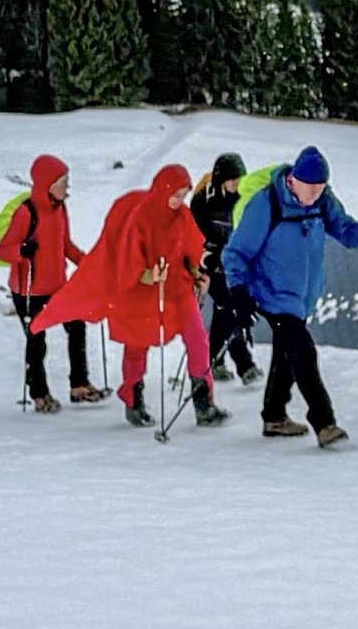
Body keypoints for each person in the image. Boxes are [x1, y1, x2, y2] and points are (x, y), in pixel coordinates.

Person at [34, 164, 230, 430]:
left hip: (176, 289)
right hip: (138, 295)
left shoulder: (182, 216)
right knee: (137, 346)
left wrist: (198, 273)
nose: (178, 201)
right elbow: (126, 260)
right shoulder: (139, 216)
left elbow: (191, 251)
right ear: (162, 189)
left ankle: (204, 404)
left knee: (197, 340)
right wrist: (148, 275)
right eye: (175, 194)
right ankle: (132, 398)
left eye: (183, 195)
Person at [221, 147, 358, 448]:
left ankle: (274, 416)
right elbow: (236, 252)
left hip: (301, 294)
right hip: (270, 291)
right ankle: (325, 423)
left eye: (320, 188)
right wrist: (238, 290)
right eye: (309, 188)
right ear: (293, 180)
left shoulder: (322, 201)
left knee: (287, 352)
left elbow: (344, 229)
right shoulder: (266, 204)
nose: (314, 195)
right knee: (303, 350)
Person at [0, 154, 107, 409]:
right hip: (28, 291)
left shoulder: (60, 209)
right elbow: (3, 250)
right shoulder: (26, 213)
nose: (67, 187)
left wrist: (88, 263)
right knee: (36, 342)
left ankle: (79, 385)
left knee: (77, 327)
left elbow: (65, 245)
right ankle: (39, 394)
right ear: (48, 184)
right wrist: (21, 250)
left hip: (57, 286)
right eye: (63, 182)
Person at [191, 154, 261, 385]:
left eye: (239, 178)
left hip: (233, 263)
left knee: (228, 311)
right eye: (231, 179)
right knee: (228, 309)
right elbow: (194, 233)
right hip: (209, 264)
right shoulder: (204, 200)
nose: (236, 184)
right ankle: (239, 363)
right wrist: (205, 259)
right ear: (221, 179)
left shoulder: (245, 197)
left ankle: (216, 359)